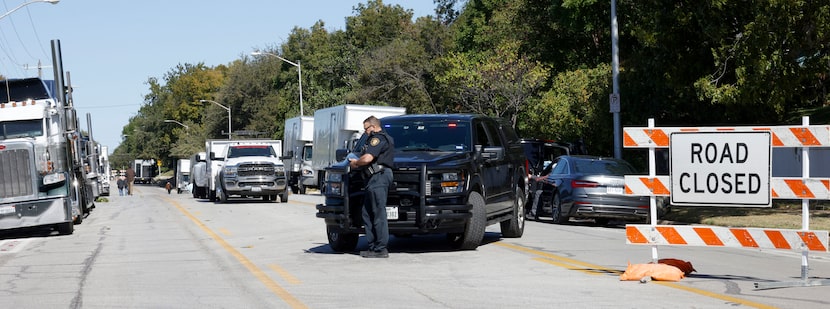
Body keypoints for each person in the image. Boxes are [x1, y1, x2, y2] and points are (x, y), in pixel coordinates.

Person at [348, 116, 394, 258]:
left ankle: (381, 248)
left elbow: (368, 158)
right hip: (372, 178)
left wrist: (355, 163)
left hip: (378, 177)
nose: (366, 132)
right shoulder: (375, 139)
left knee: (378, 212)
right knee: (367, 213)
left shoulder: (378, 139)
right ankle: (373, 246)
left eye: (366, 129)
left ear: (373, 127)